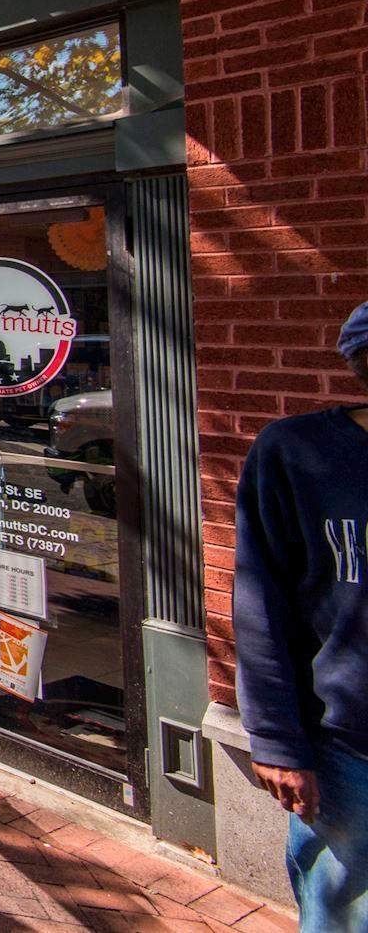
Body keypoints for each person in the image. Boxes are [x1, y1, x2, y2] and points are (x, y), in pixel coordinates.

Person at [234, 299, 368, 931]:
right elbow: (262, 607)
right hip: (350, 750)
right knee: (341, 911)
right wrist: (278, 739)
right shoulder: (297, 454)